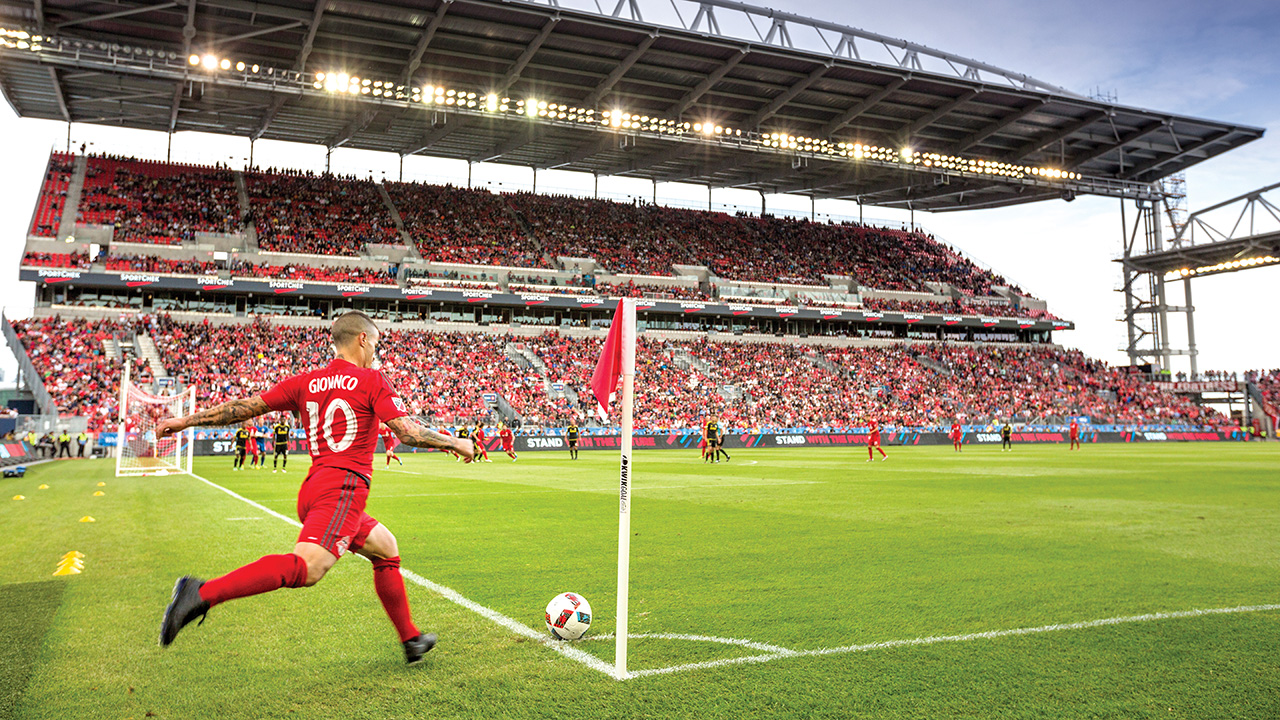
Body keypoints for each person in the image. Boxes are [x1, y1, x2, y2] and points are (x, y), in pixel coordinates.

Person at [155, 311, 475, 664]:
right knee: (307, 569)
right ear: (363, 340)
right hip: (342, 490)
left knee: (385, 549)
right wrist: (454, 442)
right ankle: (201, 593)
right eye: (376, 345)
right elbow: (407, 431)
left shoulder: (306, 381)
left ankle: (410, 638)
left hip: (314, 490)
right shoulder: (372, 380)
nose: (375, 355)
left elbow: (244, 408)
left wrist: (186, 421)